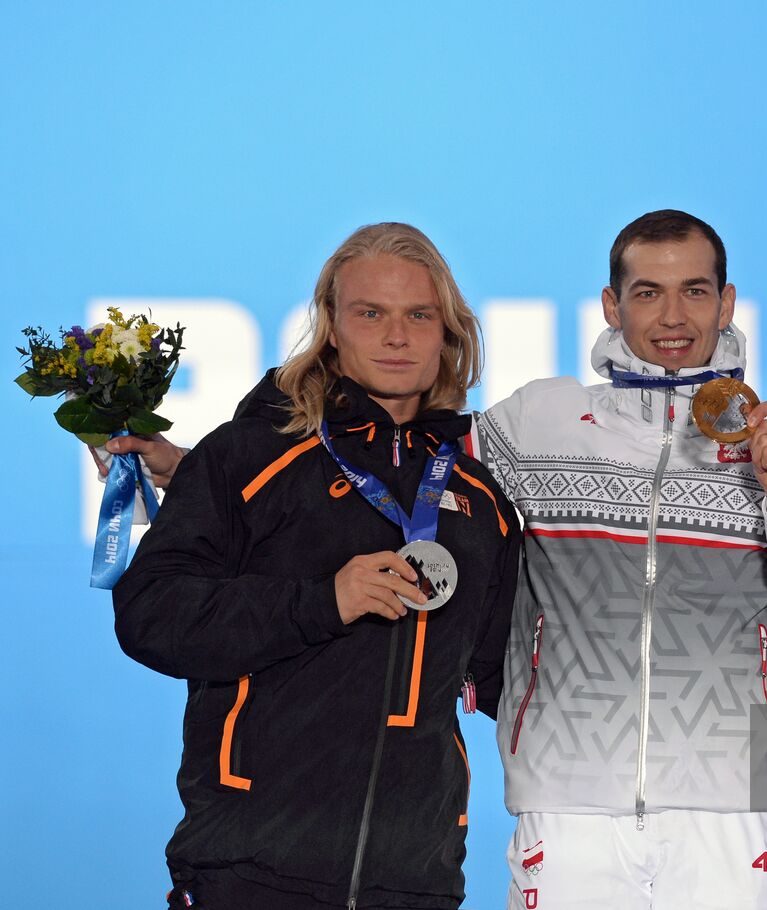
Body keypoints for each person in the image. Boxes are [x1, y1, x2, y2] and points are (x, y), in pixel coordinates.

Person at [113, 223, 522, 909]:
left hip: (415, 882)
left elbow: (508, 678)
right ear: (331, 326)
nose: (397, 337)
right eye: (371, 313)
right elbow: (150, 615)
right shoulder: (248, 457)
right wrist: (319, 602)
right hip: (248, 872)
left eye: (418, 315)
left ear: (447, 331)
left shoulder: (480, 499)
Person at [471, 209, 767, 909]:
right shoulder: (534, 424)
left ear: (727, 302)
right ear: (610, 306)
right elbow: (410, 482)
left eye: (694, 290)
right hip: (568, 798)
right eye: (648, 292)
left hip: (735, 802)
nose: (673, 315)